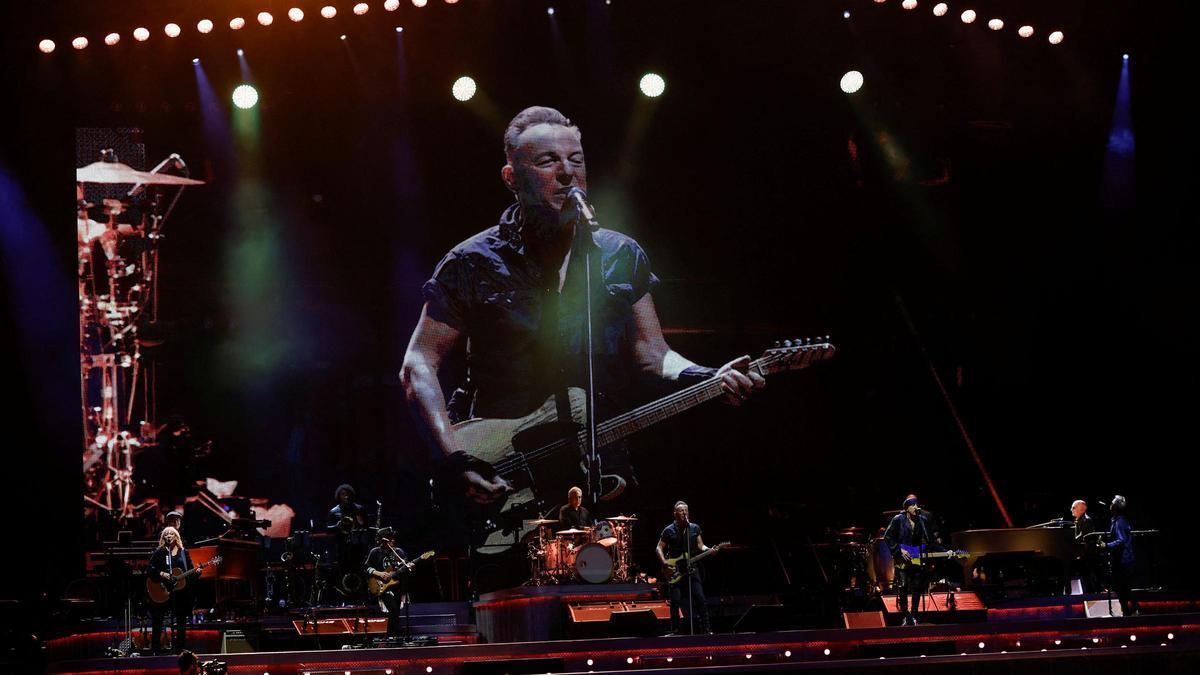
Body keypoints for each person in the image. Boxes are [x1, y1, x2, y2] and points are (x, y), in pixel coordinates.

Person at [400, 105, 764, 509]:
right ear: (511, 178)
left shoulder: (619, 254)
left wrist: (706, 375)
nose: (567, 172)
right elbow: (419, 363)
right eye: (547, 161)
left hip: (598, 463)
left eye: (576, 159)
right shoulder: (472, 261)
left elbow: (653, 353)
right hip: (503, 466)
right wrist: (454, 457)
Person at [656, 501, 713, 634]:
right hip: (675, 570)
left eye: (686, 510)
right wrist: (665, 562)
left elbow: (700, 545)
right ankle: (675, 630)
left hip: (692, 568)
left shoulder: (694, 528)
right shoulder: (668, 530)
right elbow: (659, 547)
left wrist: (709, 550)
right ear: (675, 514)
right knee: (675, 601)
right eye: (681, 511)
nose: (684, 513)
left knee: (700, 598)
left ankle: (706, 629)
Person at [883, 495, 940, 626]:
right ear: (907, 508)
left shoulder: (922, 520)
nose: (916, 507)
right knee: (902, 586)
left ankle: (914, 615)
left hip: (916, 557)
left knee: (917, 587)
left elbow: (930, 540)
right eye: (913, 505)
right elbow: (888, 536)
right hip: (902, 557)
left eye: (917, 504)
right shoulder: (898, 519)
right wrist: (899, 550)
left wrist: (946, 551)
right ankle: (905, 615)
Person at [148, 526, 192, 654]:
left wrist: (198, 571)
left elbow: (190, 570)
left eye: (171, 533)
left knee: (181, 620)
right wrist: (162, 574)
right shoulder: (160, 552)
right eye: (166, 534)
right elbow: (150, 569)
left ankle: (180, 649)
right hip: (162, 590)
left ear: (176, 536)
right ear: (163, 537)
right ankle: (155, 649)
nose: (168, 535)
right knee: (158, 619)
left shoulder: (184, 553)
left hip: (179, 593)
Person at [364, 527, 412, 636]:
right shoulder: (375, 552)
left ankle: (392, 636)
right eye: (389, 539)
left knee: (395, 611)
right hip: (382, 586)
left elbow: (405, 566)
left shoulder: (398, 552)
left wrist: (409, 566)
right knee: (393, 609)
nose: (393, 541)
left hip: (397, 586)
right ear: (383, 540)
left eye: (393, 538)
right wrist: (379, 573)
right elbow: (366, 568)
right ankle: (394, 634)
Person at [1103, 494, 1138, 616]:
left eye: (1112, 503)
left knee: (1122, 587)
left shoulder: (1120, 522)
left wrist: (1106, 545)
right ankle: (1128, 611)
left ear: (1116, 507)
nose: (1110, 505)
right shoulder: (1117, 521)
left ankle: (1132, 609)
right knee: (1122, 587)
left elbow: (1121, 540)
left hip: (1123, 560)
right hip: (1121, 560)